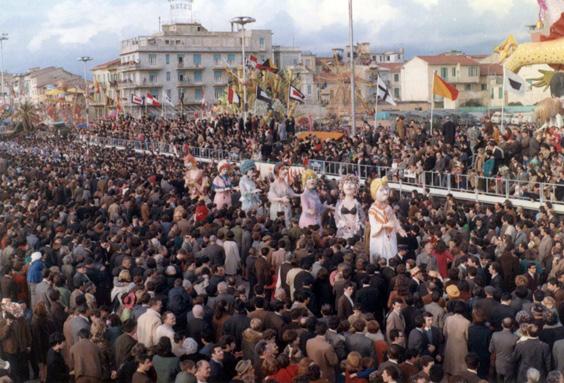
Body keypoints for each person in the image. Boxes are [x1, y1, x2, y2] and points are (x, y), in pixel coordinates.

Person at [368, 177, 406, 263]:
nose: (385, 192)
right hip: (379, 238)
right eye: (381, 190)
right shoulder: (372, 210)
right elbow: (374, 226)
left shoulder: (388, 207)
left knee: (392, 256)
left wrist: (399, 229)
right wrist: (385, 225)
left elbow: (394, 219)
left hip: (390, 235)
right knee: (380, 257)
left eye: (386, 189)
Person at [334, 175, 365, 240]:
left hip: (355, 233)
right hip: (342, 233)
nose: (349, 185)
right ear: (342, 186)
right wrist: (345, 224)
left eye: (351, 183)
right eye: (346, 183)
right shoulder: (339, 203)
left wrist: (356, 225)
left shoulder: (357, 203)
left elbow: (363, 217)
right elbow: (336, 218)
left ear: (356, 187)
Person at [267, 163, 298, 227]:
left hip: (286, 208)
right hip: (277, 209)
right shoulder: (273, 185)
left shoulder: (285, 183)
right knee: (278, 226)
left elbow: (292, 194)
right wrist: (281, 199)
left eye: (285, 169)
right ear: (277, 171)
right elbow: (271, 197)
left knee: (287, 224)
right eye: (283, 169)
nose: (286, 171)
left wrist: (302, 195)